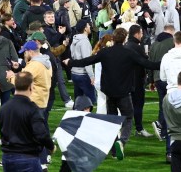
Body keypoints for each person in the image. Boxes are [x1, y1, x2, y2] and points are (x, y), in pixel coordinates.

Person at [66, 27, 160, 155]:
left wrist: (70, 62)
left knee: (112, 121)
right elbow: (147, 64)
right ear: (125, 38)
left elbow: (87, 61)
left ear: (114, 38)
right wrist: (165, 62)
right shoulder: (129, 53)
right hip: (123, 93)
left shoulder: (105, 52)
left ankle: (114, 150)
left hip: (109, 93)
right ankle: (121, 142)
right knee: (127, 118)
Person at [0, 72, 55, 172]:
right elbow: (41, 134)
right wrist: (51, 146)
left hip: (7, 158)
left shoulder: (4, 108)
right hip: (28, 158)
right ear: (31, 87)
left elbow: (3, 131)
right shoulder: (32, 109)